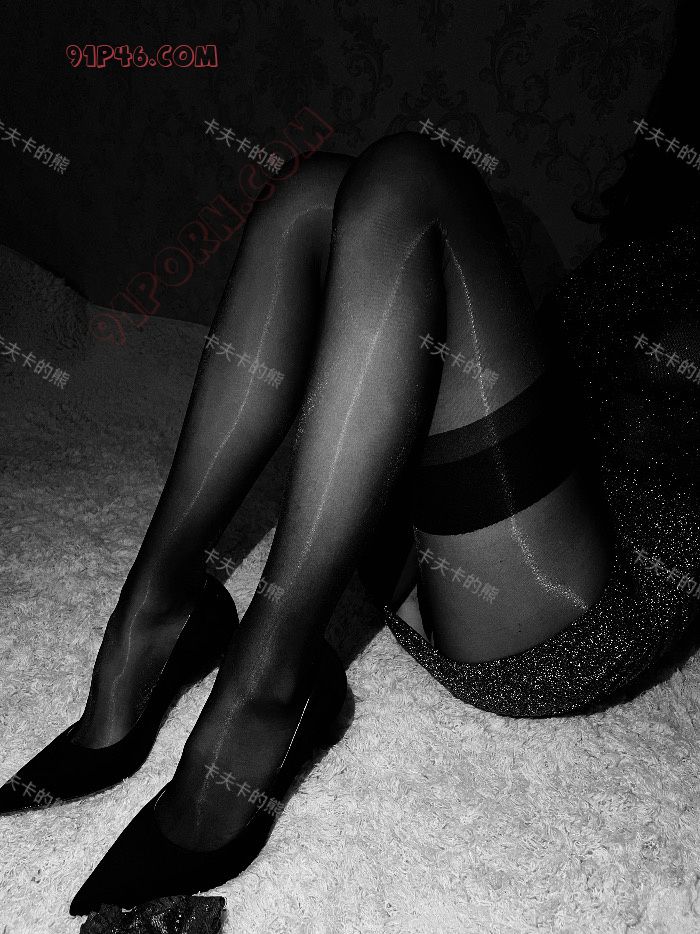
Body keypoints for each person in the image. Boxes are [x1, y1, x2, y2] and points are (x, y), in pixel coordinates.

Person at [2, 0, 699, 917]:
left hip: (566, 608)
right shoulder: (656, 224)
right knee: (315, 193)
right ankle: (153, 616)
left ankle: (264, 690)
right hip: (438, 537)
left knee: (412, 177)